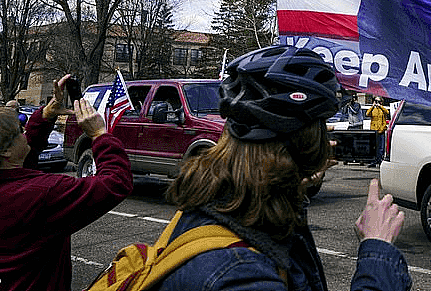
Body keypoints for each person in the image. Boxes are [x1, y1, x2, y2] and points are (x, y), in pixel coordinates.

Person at [157, 44, 412, 291]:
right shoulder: (239, 274)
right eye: (321, 124)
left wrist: (289, 188)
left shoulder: (213, 207)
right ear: (306, 141)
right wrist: (378, 250)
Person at [0, 75, 132, 291]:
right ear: (6, 150)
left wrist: (45, 116)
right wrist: (100, 134)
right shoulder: (41, 193)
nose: (24, 134)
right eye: (19, 132)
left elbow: (17, 165)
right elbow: (115, 182)